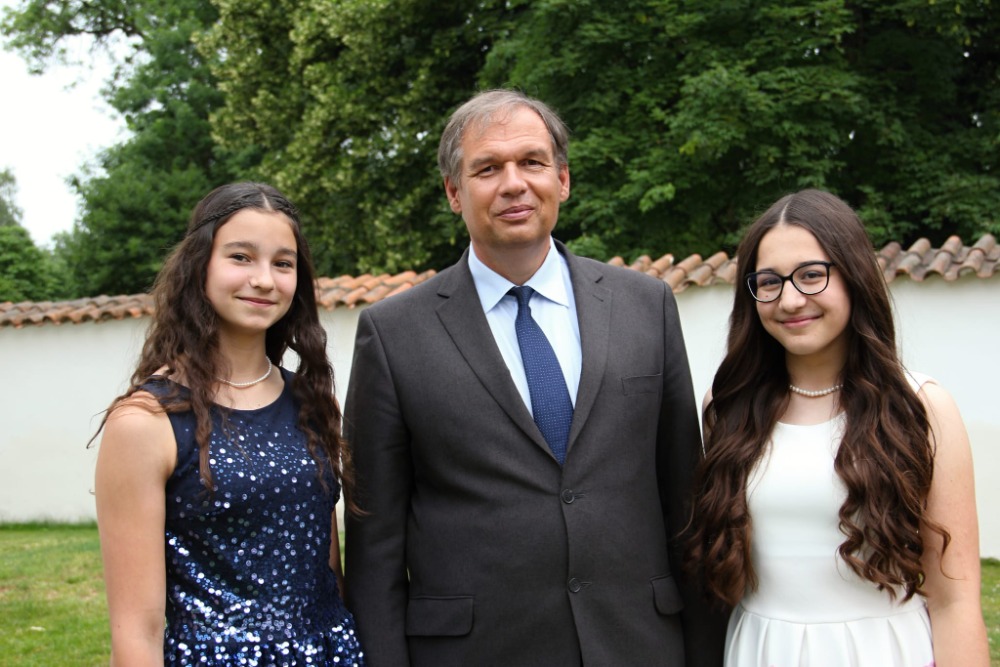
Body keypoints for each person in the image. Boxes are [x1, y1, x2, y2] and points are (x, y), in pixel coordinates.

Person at [343, 89, 727, 666]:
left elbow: (686, 504)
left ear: (562, 179)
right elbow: (375, 546)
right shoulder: (394, 334)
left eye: (532, 162)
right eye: (487, 169)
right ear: (454, 192)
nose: (514, 184)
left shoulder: (646, 307)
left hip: (637, 644)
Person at [686, 189, 989, 666]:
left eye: (811, 275)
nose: (789, 300)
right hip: (760, 651)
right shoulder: (727, 408)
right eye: (769, 281)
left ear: (854, 276)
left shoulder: (922, 406)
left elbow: (956, 602)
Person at [94, 182, 365, 666]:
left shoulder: (313, 402)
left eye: (283, 263)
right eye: (241, 257)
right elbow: (136, 633)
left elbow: (329, 573)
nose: (264, 279)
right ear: (199, 264)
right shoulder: (145, 422)